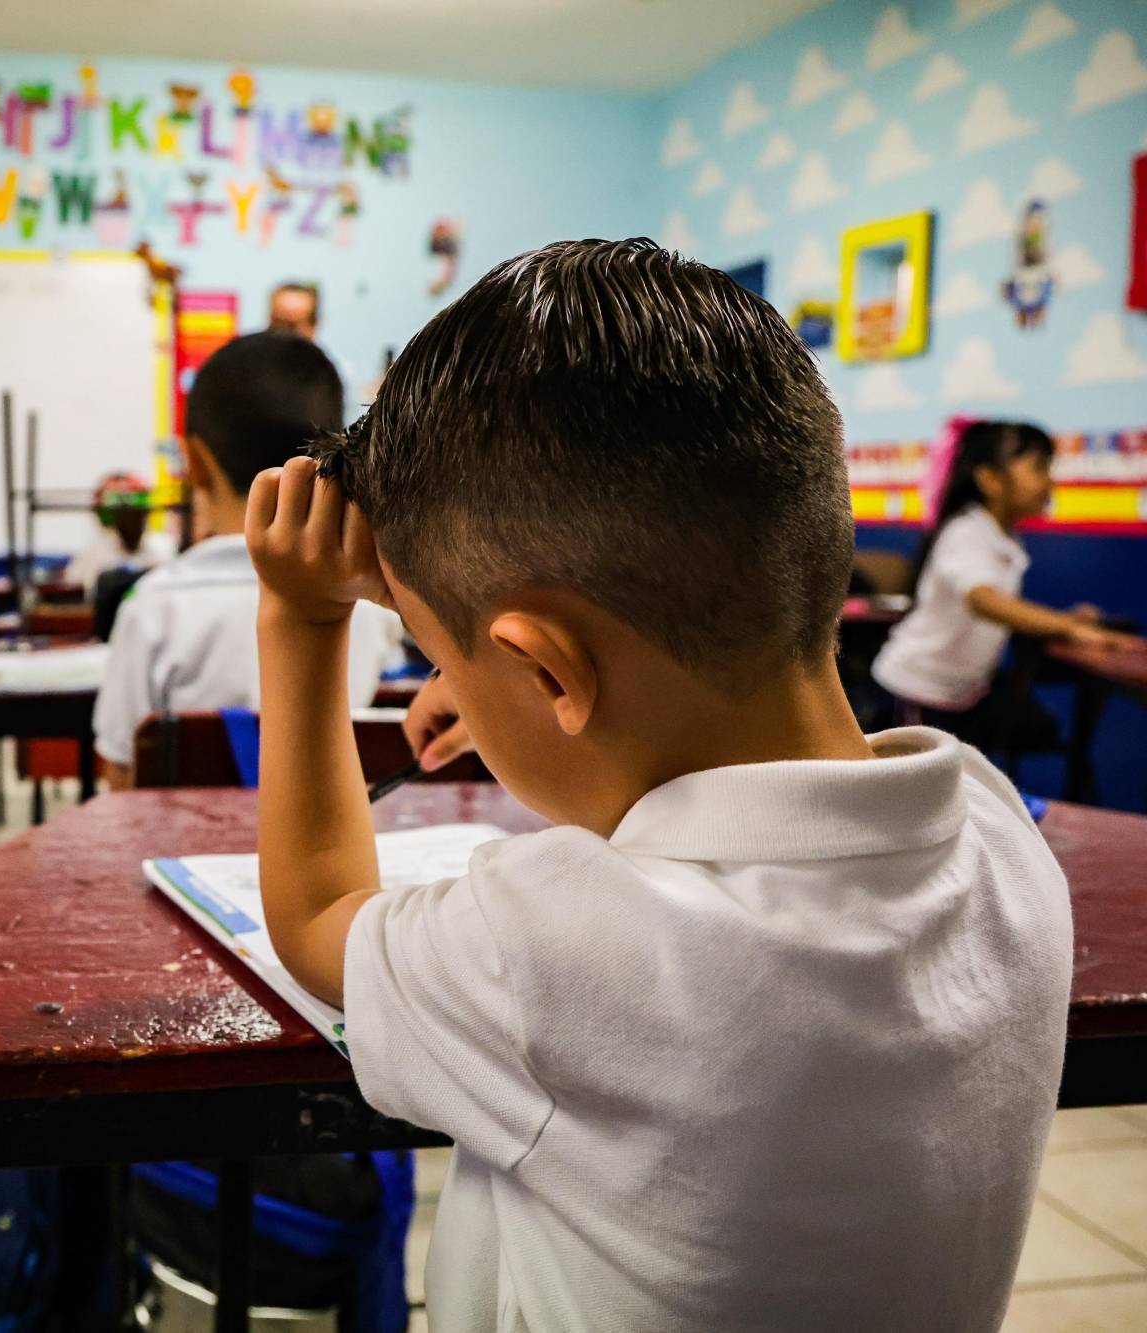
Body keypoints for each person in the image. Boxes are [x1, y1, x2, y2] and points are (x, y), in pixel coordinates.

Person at [244, 239, 1070, 1330]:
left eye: (441, 656)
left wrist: (302, 619)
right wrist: (496, 684)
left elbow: (316, 917)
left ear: (550, 674)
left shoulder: (552, 947)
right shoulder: (1000, 840)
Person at [91, 333, 402, 788]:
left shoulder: (154, 607)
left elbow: (121, 771)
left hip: (186, 833)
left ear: (193, 462)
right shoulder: (373, 604)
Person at [872, 418, 1138, 746]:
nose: (1050, 480)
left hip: (960, 694)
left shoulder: (1004, 536)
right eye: (1039, 468)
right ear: (990, 479)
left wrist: (1065, 621)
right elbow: (984, 600)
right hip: (915, 690)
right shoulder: (967, 531)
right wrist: (1067, 626)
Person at [60, 472, 177, 589]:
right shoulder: (93, 553)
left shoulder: (164, 547)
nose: (129, 518)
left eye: (135, 512)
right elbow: (72, 587)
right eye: (122, 512)